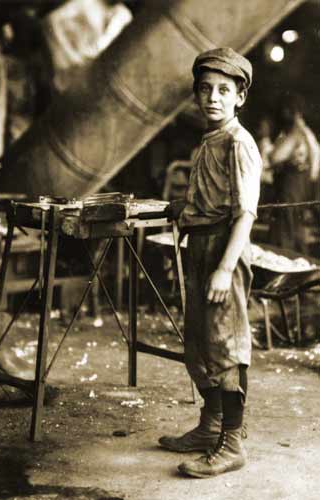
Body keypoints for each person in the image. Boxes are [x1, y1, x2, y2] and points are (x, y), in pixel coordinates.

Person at [159, 47, 262, 478]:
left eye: (223, 90)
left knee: (225, 347)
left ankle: (232, 443)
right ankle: (211, 426)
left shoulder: (239, 143)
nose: (212, 98)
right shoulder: (208, 141)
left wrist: (224, 267)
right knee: (199, 345)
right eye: (205, 90)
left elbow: (245, 213)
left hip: (224, 251)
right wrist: (178, 211)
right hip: (199, 248)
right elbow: (206, 198)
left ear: (240, 96)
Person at [267, 93, 320, 254]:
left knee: (285, 225)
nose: (283, 114)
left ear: (293, 112)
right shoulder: (307, 133)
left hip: (292, 184)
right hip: (300, 185)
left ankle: (282, 266)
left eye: (286, 111)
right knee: (292, 227)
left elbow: (275, 157)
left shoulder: (297, 133)